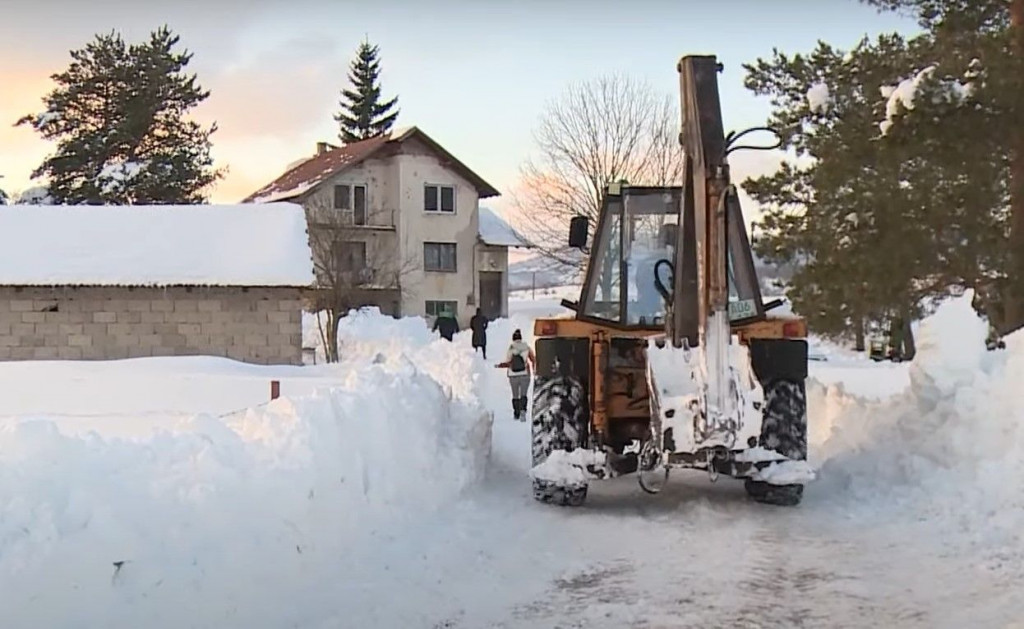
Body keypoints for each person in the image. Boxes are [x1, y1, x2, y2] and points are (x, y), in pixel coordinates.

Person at [495, 329, 535, 420]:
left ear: (513, 338)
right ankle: (523, 411)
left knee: (515, 394)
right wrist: (533, 369)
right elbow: (533, 359)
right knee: (523, 394)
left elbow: (508, 362)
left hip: (513, 375)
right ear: (521, 338)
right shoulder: (526, 347)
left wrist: (500, 365)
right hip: (525, 374)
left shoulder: (511, 348)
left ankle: (516, 413)